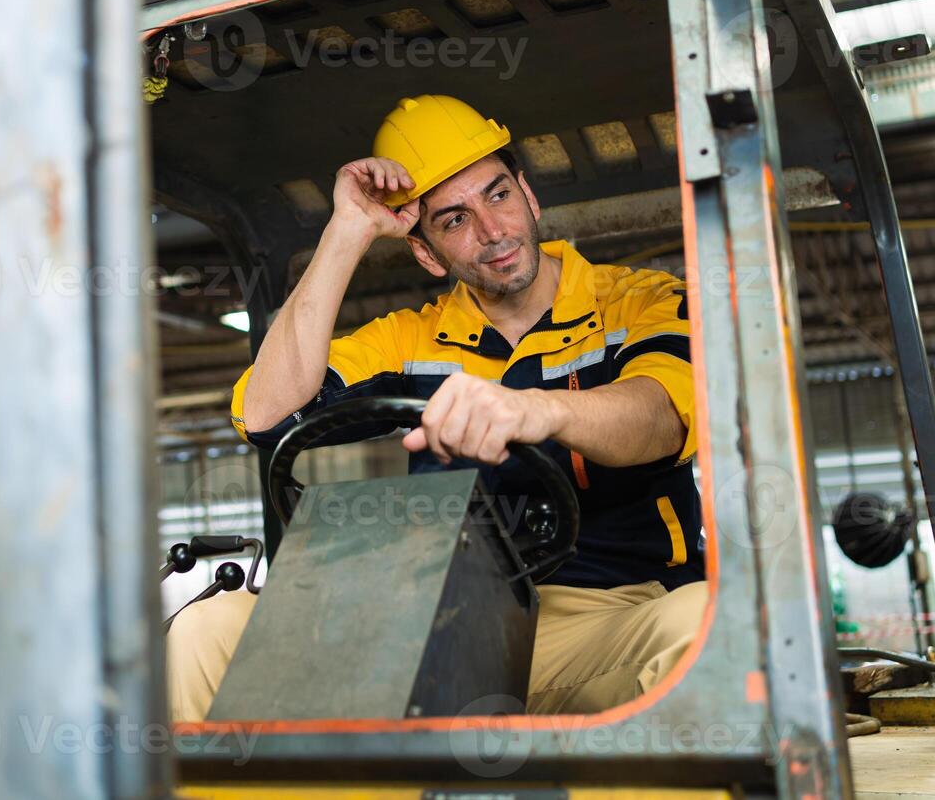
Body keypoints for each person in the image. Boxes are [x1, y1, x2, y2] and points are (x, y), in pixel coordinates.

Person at [168, 94, 706, 722]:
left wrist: (539, 411)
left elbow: (663, 416)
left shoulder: (641, 302)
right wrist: (348, 231)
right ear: (426, 253)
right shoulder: (411, 339)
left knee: (698, 623)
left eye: (497, 195)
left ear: (529, 196)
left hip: (602, 616)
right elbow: (264, 416)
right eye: (453, 220)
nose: (490, 230)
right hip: (432, 614)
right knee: (210, 630)